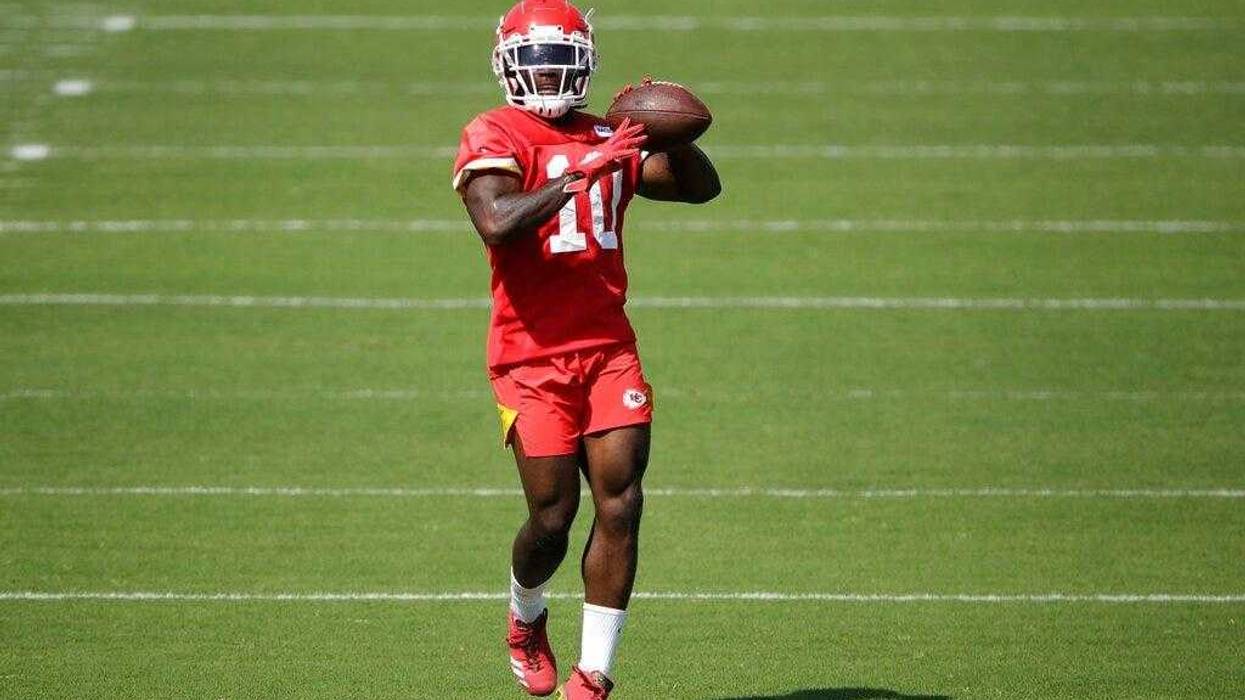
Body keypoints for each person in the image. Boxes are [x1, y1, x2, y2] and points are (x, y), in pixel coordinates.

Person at [451, 1, 720, 697]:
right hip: (530, 355)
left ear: (585, 63)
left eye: (560, 61)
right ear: (508, 66)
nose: (547, 75)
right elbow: (495, 222)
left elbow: (699, 189)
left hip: (607, 349)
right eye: (535, 61)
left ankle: (594, 673)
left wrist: (671, 132)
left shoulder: (608, 130)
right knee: (551, 516)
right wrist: (578, 171)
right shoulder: (492, 130)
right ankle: (525, 612)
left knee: (621, 502)